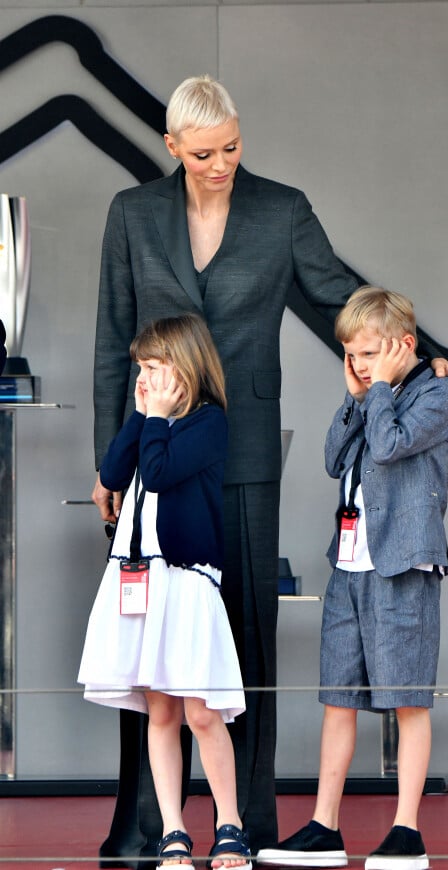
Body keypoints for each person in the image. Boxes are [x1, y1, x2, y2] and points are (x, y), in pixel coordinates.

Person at [91, 75, 448, 866]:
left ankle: (245, 823)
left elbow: (343, 297)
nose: (222, 162)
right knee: (151, 643)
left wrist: (430, 358)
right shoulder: (131, 215)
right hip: (154, 453)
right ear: (172, 148)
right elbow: (111, 339)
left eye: (232, 146)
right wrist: (109, 463)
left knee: (245, 640)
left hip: (246, 448)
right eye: (204, 153)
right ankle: (149, 825)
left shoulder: (283, 208)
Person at [257, 286, 448, 870]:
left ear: (403, 345)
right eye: (351, 356)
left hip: (402, 563)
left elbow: (392, 445)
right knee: (338, 697)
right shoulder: (369, 393)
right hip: (349, 563)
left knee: (408, 699)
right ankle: (325, 826)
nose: (360, 366)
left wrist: (382, 392)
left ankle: (406, 830)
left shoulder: (436, 393)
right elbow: (332, 459)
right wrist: (354, 397)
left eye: (368, 354)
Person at [80, 313, 252, 870]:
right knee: (160, 710)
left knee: (201, 712)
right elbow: (113, 470)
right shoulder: (149, 417)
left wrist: (153, 418)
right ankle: (173, 829)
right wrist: (140, 415)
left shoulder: (208, 423)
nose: (146, 378)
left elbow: (156, 473)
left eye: (155, 367)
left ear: (186, 366)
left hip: (184, 579)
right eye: (141, 369)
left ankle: (230, 823)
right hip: (142, 577)